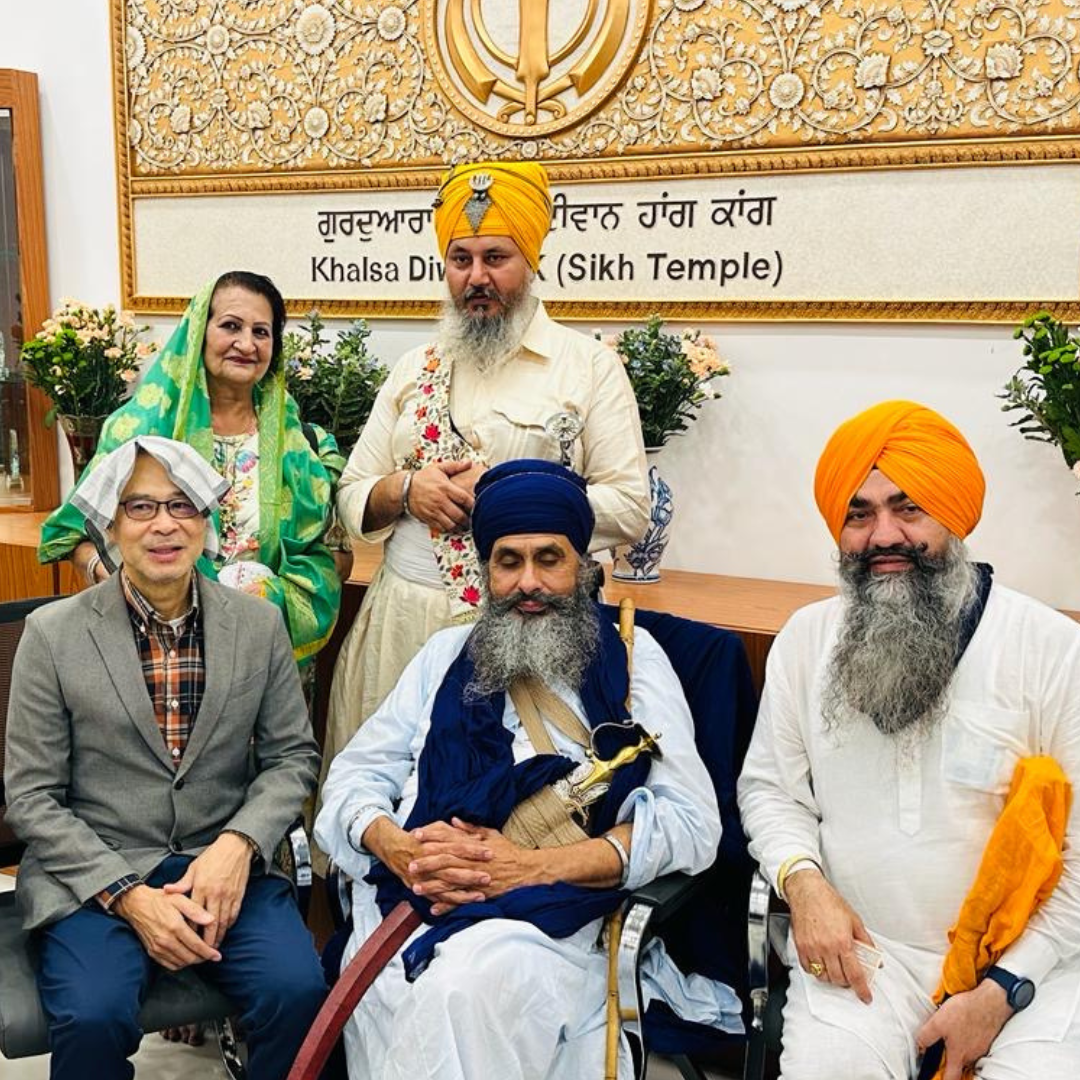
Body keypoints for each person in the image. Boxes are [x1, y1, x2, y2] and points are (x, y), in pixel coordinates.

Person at [316, 458, 741, 1079]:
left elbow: (691, 824)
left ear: (584, 566)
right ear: (486, 571)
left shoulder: (634, 659)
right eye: (508, 561)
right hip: (412, 900)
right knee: (416, 989)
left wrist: (526, 869)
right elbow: (354, 778)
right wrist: (400, 848)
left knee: (462, 989)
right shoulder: (443, 655)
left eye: (550, 559)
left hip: (552, 922)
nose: (528, 582)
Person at [738, 400, 1080, 1079]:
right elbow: (770, 790)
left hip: (1031, 961)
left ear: (954, 514)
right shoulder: (806, 640)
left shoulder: (1052, 650)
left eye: (909, 508)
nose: (882, 535)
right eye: (858, 514)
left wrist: (1004, 988)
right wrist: (804, 886)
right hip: (866, 953)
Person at [5, 436, 327, 1080]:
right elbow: (32, 796)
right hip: (95, 870)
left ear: (205, 522)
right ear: (109, 526)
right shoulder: (53, 634)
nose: (163, 525)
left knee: (299, 993)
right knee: (93, 1014)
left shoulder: (258, 625)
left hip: (221, 861)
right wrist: (128, 896)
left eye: (182, 506)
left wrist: (238, 845)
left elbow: (293, 757)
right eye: (140, 507)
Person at [323, 160, 649, 777]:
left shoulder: (587, 367)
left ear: (530, 261)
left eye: (495, 257)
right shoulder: (414, 366)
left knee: (511, 808)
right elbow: (351, 498)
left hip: (532, 625)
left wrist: (515, 500)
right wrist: (404, 489)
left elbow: (630, 507)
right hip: (404, 622)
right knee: (388, 794)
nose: (477, 277)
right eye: (460, 259)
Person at [38, 270, 345, 667]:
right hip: (152, 650)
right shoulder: (139, 430)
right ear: (199, 330)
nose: (246, 344)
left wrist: (275, 596)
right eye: (231, 326)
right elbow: (70, 536)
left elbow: (331, 554)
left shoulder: (304, 446)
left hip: (263, 654)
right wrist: (114, 576)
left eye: (262, 332)